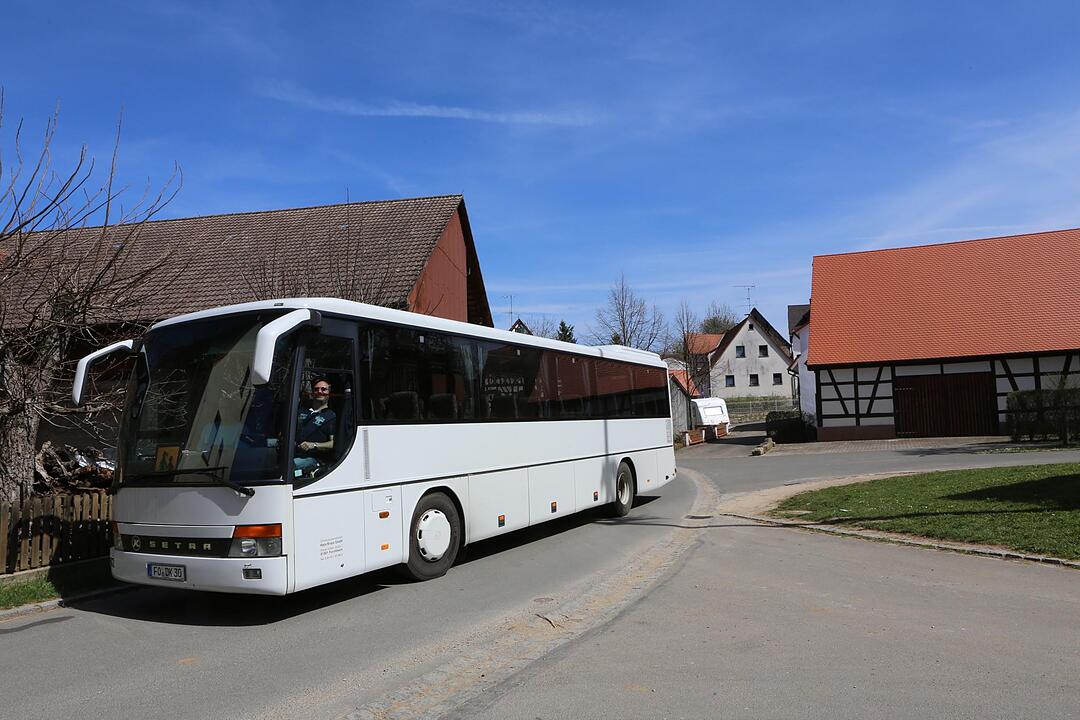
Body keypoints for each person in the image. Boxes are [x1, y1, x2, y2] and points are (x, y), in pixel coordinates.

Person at [294, 378, 337, 476]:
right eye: (316, 389)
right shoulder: (301, 411)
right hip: (291, 452)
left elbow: (333, 443)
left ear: (329, 393)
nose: (319, 392)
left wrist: (313, 445)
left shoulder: (331, 416)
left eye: (323, 389)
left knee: (288, 466)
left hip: (313, 459)